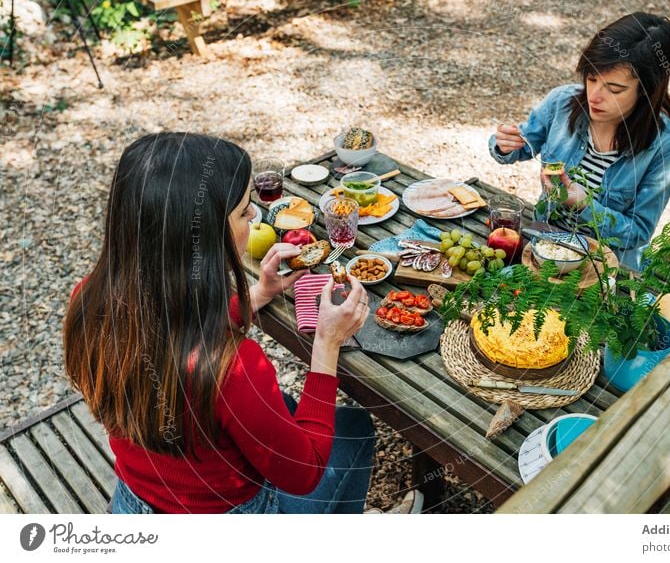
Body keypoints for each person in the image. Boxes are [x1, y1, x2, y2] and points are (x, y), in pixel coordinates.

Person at [63, 132, 420, 514]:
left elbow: (176, 331)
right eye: (242, 211)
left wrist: (259, 294)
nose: (254, 216)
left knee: (279, 403)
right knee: (355, 430)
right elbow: (304, 473)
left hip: (137, 501)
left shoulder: (88, 299)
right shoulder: (233, 368)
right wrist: (327, 344)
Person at [489, 12, 670, 270]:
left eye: (614, 89)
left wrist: (584, 205)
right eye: (591, 79)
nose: (594, 96)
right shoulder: (562, 103)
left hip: (605, 267)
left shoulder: (666, 146)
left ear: (648, 89)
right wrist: (504, 144)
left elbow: (638, 233)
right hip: (542, 243)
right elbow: (522, 144)